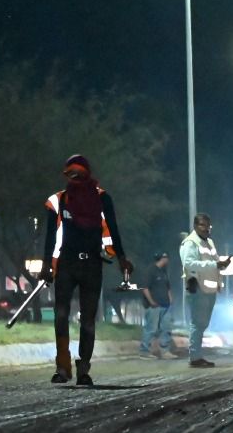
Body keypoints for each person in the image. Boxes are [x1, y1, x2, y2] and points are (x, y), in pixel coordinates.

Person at [40, 154, 132, 386]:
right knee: (61, 315)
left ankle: (83, 369)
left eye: (79, 174)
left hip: (92, 265)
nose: (75, 178)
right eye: (70, 174)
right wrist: (45, 265)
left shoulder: (102, 199)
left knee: (88, 320)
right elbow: (50, 236)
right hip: (67, 264)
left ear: (87, 174)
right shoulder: (58, 201)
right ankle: (63, 367)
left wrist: (121, 258)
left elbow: (113, 228)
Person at [180, 213, 230, 369]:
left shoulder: (209, 243)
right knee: (197, 323)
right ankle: (195, 357)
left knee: (203, 323)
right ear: (195, 226)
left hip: (209, 288)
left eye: (208, 225)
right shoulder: (190, 243)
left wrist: (219, 280)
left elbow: (215, 263)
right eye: (202, 225)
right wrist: (214, 266)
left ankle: (197, 355)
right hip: (197, 287)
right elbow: (189, 263)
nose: (206, 228)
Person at [138, 251, 175, 358]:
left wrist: (170, 299)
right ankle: (144, 351)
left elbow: (167, 287)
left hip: (166, 305)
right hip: (154, 306)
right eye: (166, 258)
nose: (168, 260)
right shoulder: (150, 271)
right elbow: (145, 288)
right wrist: (151, 302)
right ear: (162, 258)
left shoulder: (163, 272)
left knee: (166, 328)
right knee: (151, 328)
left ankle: (165, 351)